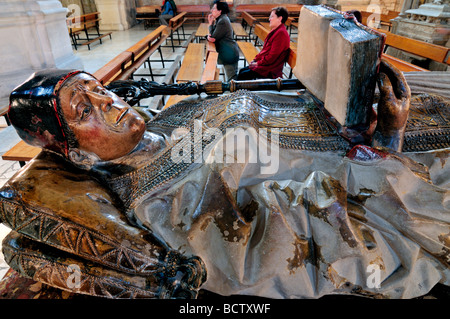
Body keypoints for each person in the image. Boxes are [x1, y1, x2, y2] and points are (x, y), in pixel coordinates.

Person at [2, 62, 450, 299]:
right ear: (79, 153)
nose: (108, 101)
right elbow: (312, 243)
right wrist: (386, 142)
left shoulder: (169, 118)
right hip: (397, 180)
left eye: (98, 87)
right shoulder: (164, 204)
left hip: (362, 125)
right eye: (85, 110)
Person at [237, 6, 291, 80]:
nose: (269, 19)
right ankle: (240, 91)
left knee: (244, 74)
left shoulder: (281, 33)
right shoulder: (275, 30)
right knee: (242, 71)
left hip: (271, 69)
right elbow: (265, 50)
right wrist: (255, 60)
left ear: (280, 18)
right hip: (266, 65)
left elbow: (272, 57)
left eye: (272, 16)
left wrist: (258, 63)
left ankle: (242, 91)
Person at [207, 1, 240, 81]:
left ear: (220, 11)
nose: (211, 10)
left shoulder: (222, 21)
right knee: (232, 78)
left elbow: (213, 38)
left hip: (229, 53)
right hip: (228, 51)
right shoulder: (221, 19)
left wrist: (210, 25)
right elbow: (213, 34)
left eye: (214, 8)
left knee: (232, 80)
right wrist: (211, 24)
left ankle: (236, 93)